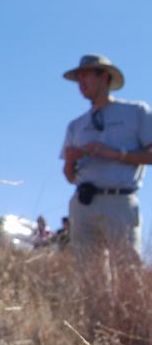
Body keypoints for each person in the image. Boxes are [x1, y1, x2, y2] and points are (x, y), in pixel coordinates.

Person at [61, 54, 152, 260]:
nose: (81, 82)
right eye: (78, 78)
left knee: (126, 272)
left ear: (104, 76)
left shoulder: (136, 112)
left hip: (120, 202)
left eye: (86, 75)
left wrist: (112, 153)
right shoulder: (75, 125)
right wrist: (70, 160)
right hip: (83, 204)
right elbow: (69, 177)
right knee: (88, 277)